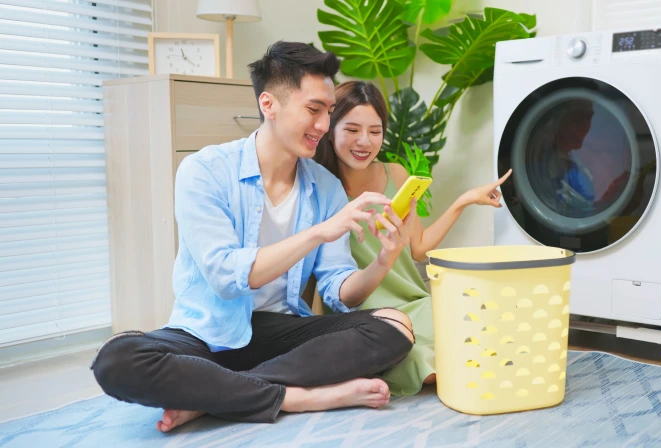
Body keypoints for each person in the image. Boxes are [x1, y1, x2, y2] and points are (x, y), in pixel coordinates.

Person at [90, 42, 418, 432]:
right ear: (269, 104)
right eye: (313, 110)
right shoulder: (204, 170)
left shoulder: (325, 187)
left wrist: (383, 260)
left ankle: (213, 396)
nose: (323, 125)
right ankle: (297, 397)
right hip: (207, 333)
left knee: (394, 325)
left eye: (329, 112)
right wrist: (317, 233)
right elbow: (226, 277)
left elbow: (338, 290)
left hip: (280, 332)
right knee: (117, 359)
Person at [313, 81, 511, 396]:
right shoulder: (318, 188)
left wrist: (463, 201)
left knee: (491, 335)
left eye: (375, 131)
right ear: (329, 129)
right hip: (365, 313)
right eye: (352, 129)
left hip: (415, 302)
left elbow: (418, 249)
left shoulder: (395, 174)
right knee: (433, 364)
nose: (364, 141)